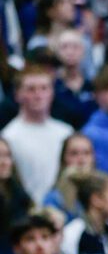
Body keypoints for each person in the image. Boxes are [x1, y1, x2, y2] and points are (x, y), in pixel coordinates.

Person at [2, 67, 73, 205]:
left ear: (52, 92)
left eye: (44, 88)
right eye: (31, 89)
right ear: (17, 94)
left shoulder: (66, 132)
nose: (38, 95)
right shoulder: (9, 136)